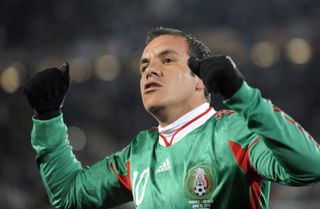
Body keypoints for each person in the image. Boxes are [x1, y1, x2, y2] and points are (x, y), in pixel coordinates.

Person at [23, 27, 320, 209]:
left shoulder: (234, 131)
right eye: (144, 66)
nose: (149, 71)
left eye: (167, 60)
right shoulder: (139, 152)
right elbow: (70, 195)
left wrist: (243, 95)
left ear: (200, 79)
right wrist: (48, 118)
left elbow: (311, 166)